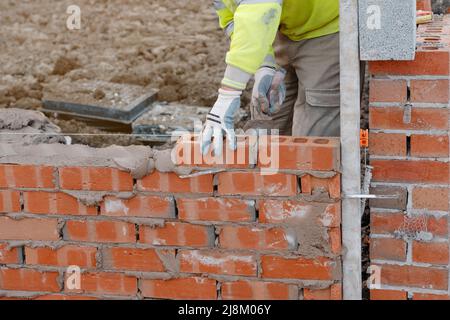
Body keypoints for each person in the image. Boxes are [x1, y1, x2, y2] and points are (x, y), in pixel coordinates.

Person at [201, 0, 340, 157]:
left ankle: (311, 179)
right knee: (266, 127)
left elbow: (260, 10)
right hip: (276, 25)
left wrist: (229, 93)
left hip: (326, 27)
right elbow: (233, 20)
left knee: (315, 147)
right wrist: (265, 64)